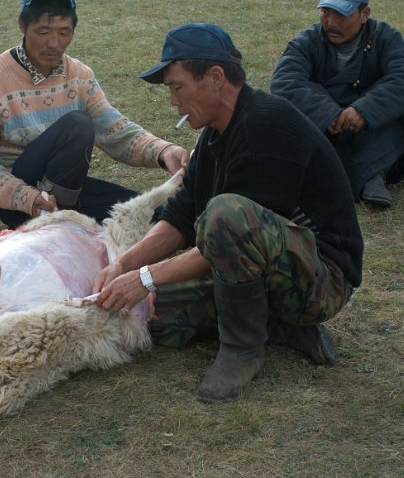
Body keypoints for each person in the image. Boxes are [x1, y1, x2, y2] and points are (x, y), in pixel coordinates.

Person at [93, 23, 363, 403]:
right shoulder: (216, 134)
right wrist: (124, 266)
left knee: (224, 216)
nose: (173, 101)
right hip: (257, 267)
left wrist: (145, 277)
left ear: (216, 78)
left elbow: (230, 233)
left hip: (321, 281)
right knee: (147, 317)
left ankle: (243, 349)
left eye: (177, 86)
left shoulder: (266, 125)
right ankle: (276, 326)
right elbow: (182, 215)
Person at [0, 0, 188, 228]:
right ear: (23, 25)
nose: (54, 43)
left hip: (64, 191)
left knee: (154, 215)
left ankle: (60, 216)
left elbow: (114, 130)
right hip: (17, 203)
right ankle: (52, 219)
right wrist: (28, 197)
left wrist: (163, 152)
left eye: (63, 32)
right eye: (43, 31)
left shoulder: (79, 75)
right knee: (77, 125)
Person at [270, 0, 404, 207]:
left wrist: (365, 111)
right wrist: (328, 114)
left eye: (341, 14)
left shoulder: (387, 38)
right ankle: (367, 176)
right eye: (326, 12)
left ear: (364, 14)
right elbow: (284, 82)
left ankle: (374, 173)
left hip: (375, 135)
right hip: (330, 134)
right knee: (300, 99)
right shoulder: (307, 41)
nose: (331, 22)